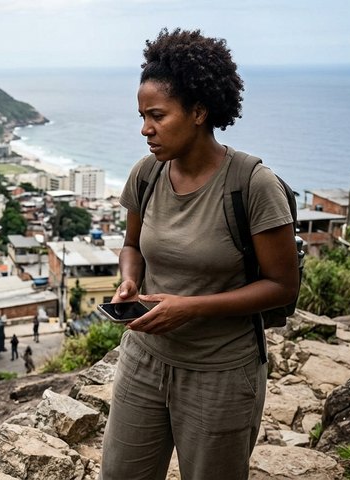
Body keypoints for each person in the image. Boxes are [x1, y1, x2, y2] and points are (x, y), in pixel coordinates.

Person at [99, 29, 298, 480]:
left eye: (156, 116)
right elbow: (132, 246)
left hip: (221, 371)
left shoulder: (251, 185)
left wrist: (190, 309)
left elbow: (283, 286)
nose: (145, 129)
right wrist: (129, 280)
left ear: (198, 112)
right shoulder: (147, 174)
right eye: (142, 116)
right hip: (144, 358)